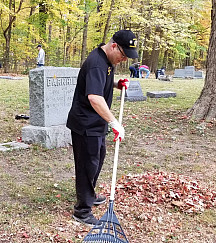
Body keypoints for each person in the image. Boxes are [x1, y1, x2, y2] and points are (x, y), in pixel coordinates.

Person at [66, 29, 137, 227]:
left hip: (96, 123)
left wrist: (116, 84)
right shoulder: (97, 63)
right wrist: (114, 123)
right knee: (87, 165)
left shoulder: (107, 60)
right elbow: (94, 97)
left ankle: (89, 194)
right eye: (123, 55)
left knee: (97, 159)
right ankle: (82, 210)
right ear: (114, 46)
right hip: (85, 124)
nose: (124, 60)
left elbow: (98, 85)